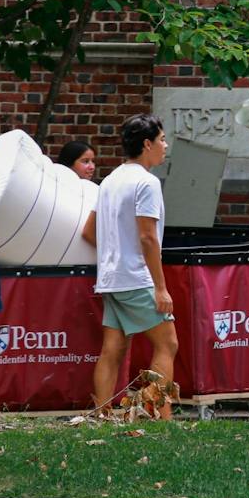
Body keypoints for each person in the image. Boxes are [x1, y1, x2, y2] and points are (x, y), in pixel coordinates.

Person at [80, 114, 176, 417]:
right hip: (137, 278)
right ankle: (157, 417)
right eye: (161, 139)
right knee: (168, 343)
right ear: (147, 144)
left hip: (111, 278)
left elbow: (89, 231)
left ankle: (102, 416)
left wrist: (116, 253)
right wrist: (160, 288)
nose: (165, 145)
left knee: (113, 350)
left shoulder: (109, 180)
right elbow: (148, 238)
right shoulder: (147, 183)